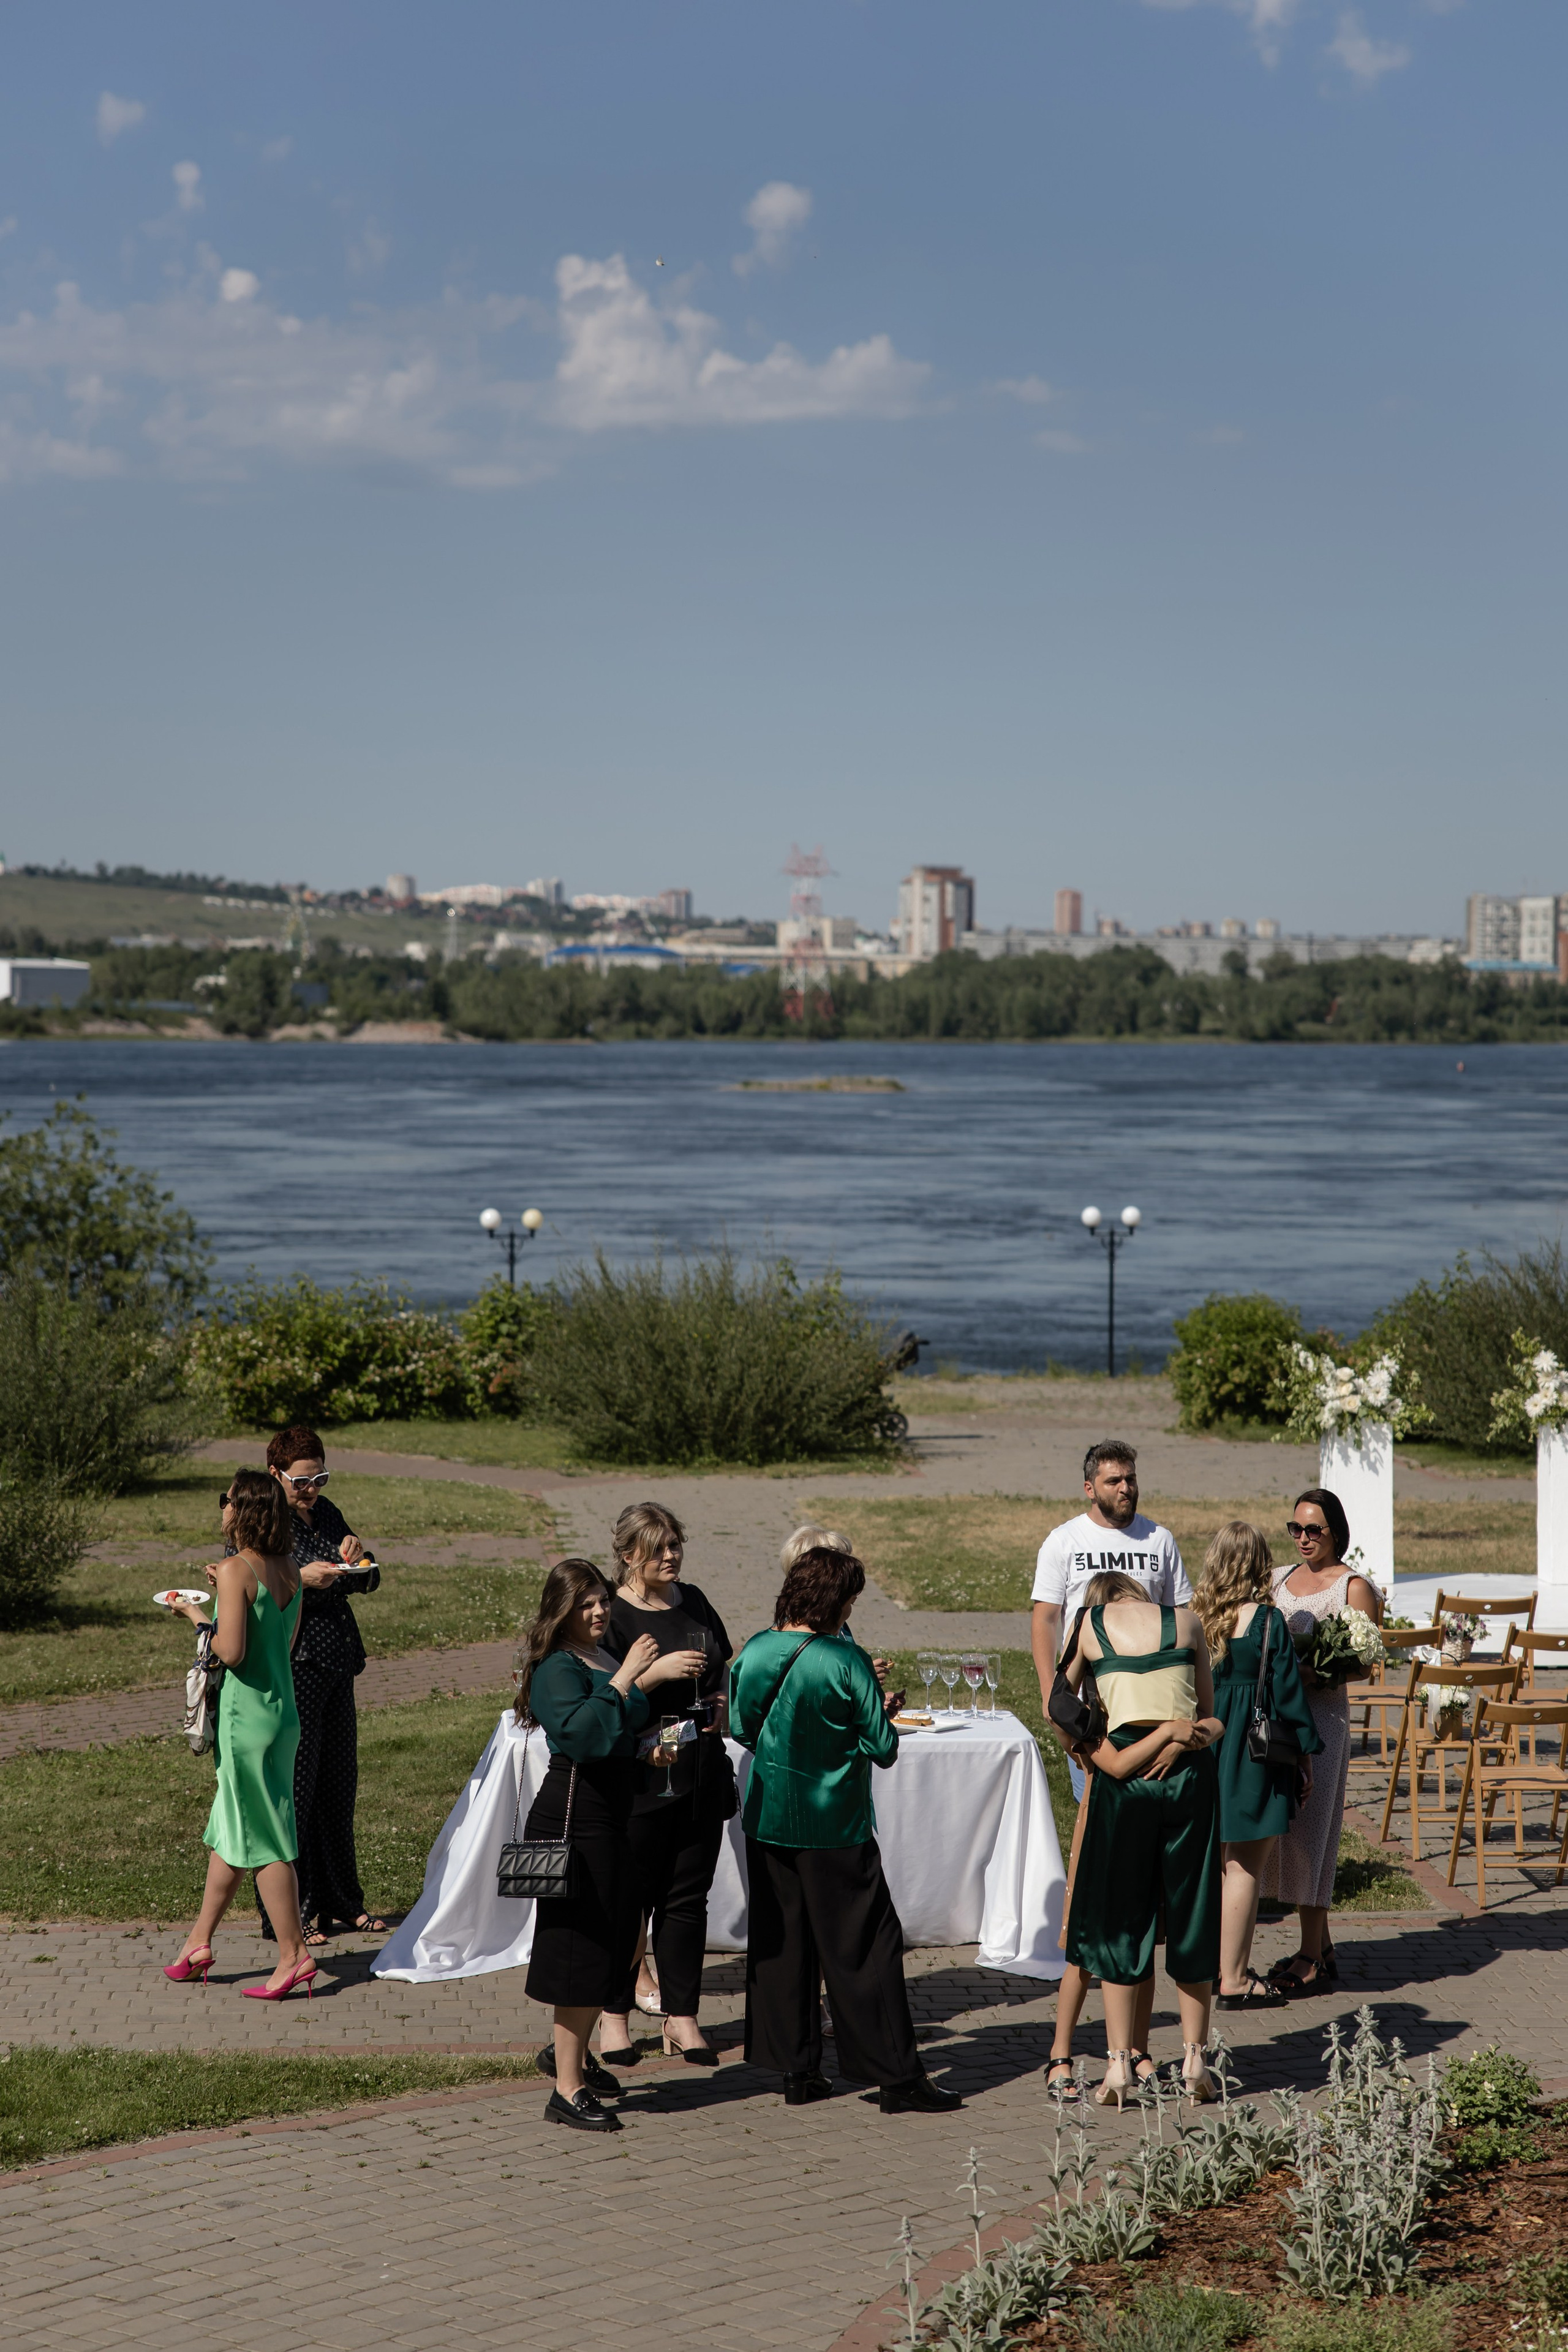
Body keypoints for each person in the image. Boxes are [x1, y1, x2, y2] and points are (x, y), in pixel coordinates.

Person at [729, 1544, 961, 2116]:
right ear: (836, 1601)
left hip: (770, 1820)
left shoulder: (757, 1649)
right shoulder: (844, 1659)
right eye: (852, 1599)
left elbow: (741, 1725)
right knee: (867, 1949)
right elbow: (883, 1748)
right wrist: (870, 1718)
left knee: (785, 1947)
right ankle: (895, 2077)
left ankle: (797, 2070)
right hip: (835, 1825)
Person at [516, 1557, 706, 2132]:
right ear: (562, 1611)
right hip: (574, 1820)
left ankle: (567, 2054)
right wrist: (628, 1678)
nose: (599, 1612)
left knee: (623, 1941)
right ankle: (566, 2090)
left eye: (602, 1600)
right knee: (581, 1949)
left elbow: (615, 1732)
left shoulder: (598, 1657)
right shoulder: (557, 1668)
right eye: (586, 1604)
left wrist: (645, 1745)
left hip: (614, 1816)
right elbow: (580, 1734)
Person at [1032, 1443, 1192, 2095]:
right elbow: (1045, 1619)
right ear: (1088, 1487)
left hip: (1156, 1730)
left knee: (1142, 1901)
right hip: (1097, 1731)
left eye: (1132, 1479)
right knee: (1099, 1894)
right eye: (1114, 1480)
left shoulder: (1159, 1541)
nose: (1126, 1489)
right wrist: (1056, 1703)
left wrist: (1182, 1732)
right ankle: (1069, 2049)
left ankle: (1134, 2049)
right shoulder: (1064, 1542)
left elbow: (1181, 1623)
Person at [1062, 1587, 1224, 2107]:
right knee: (1194, 1906)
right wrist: (1181, 1736)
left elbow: (1057, 1703)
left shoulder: (1089, 1624)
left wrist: (1088, 1746)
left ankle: (1117, 2066)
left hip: (1125, 1775)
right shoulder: (1189, 1622)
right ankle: (1197, 2058)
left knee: (1121, 1917)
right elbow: (1213, 1717)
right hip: (1191, 1774)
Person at [164, 1471, 316, 1999]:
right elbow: (281, 1640)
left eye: (226, 1500)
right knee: (233, 1824)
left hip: (244, 1718)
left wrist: (196, 1613)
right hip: (283, 1714)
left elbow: (231, 1653)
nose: (222, 1507)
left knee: (267, 1837)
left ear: (242, 1510)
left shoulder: (234, 1569)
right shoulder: (290, 1569)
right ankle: (198, 1943)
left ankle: (293, 1955)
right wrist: (227, 1592)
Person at [599, 1502, 734, 2067]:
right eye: (658, 1549)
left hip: (697, 1770)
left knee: (686, 1901)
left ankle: (682, 2018)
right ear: (629, 1555)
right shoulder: (610, 1613)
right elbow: (600, 1698)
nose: (671, 1556)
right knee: (628, 1902)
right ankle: (612, 2019)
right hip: (638, 1778)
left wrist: (722, 1699)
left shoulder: (695, 1600)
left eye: (675, 1544)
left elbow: (723, 1663)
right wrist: (653, 1676)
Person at [242, 1427, 385, 1946]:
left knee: (337, 1787)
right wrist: (303, 1580)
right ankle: (290, 1914)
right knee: (294, 1793)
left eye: (320, 1478)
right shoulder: (264, 1521)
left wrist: (358, 1554)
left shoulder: (326, 1514)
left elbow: (365, 1577)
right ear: (276, 1475)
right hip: (295, 1665)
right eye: (302, 1481)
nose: (312, 1490)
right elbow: (249, 1585)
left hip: (336, 1664)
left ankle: (342, 1902)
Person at [1194, 1522, 1322, 2011]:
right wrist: (1306, 1760)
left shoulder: (1194, 1619)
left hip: (1205, 1748)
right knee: (1244, 1867)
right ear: (1259, 1564)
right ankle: (1234, 1977)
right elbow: (1288, 1698)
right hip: (1254, 1756)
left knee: (1212, 1867)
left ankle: (1207, 1968)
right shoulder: (1268, 1623)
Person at [1262, 1488, 1382, 1993]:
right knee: (1284, 1833)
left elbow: (1365, 1659)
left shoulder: (1352, 1587)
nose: (1304, 1539)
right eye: (1296, 1529)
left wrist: (1315, 1675)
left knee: (1313, 1833)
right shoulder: (1277, 1580)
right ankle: (1324, 1943)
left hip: (1322, 1723)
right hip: (1275, 1719)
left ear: (1336, 1531)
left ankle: (1310, 1955)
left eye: (1314, 1530)